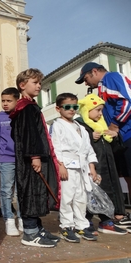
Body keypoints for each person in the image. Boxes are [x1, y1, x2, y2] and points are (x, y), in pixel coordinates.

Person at [9, 68, 60, 248]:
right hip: (30, 159)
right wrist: (35, 156)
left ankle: (37, 228)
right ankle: (30, 233)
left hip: (32, 157)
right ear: (23, 85)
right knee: (30, 192)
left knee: (36, 191)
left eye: (40, 83)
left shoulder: (30, 106)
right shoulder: (26, 108)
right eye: (35, 82)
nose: (39, 86)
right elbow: (29, 134)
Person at [76, 93, 128, 235]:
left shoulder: (102, 124)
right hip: (94, 167)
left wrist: (116, 137)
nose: (100, 114)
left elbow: (115, 149)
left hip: (108, 166)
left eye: (101, 110)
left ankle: (106, 221)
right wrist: (90, 137)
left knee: (108, 194)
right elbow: (77, 146)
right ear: (87, 110)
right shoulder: (81, 125)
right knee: (92, 196)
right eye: (97, 110)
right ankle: (86, 222)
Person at [50, 93, 99, 243]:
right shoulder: (57, 125)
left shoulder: (80, 127)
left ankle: (81, 225)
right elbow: (55, 147)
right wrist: (61, 166)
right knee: (67, 198)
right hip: (67, 166)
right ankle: (67, 226)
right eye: (67, 107)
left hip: (82, 167)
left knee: (81, 197)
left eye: (74, 107)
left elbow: (88, 148)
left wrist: (92, 167)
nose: (71, 110)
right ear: (58, 108)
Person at [75, 62, 131, 178]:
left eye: (86, 79)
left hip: (128, 133)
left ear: (94, 72)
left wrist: (114, 124)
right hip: (121, 136)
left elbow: (127, 102)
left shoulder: (110, 77)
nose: (86, 84)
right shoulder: (102, 86)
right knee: (126, 176)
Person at [0, 87, 22, 236]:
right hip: (6, 159)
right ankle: (9, 219)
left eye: (9, 101)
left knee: (21, 191)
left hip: (21, 160)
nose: (5, 104)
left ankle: (22, 218)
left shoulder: (21, 116)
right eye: (3, 101)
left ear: (17, 100)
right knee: (6, 190)